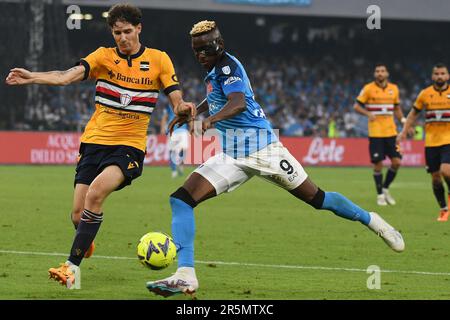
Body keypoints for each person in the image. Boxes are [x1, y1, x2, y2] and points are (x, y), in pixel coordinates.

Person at [145, 20, 405, 298]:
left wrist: (208, 121)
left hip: (264, 150)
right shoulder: (213, 71)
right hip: (233, 155)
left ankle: (373, 220)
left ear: (218, 45)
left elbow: (238, 103)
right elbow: (219, 98)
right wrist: (194, 111)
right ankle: (186, 274)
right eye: (196, 50)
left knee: (318, 199)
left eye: (204, 49)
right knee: (181, 199)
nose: (199, 55)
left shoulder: (228, 67)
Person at [5, 3, 195, 289]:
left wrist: (183, 108)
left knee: (95, 194)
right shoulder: (103, 57)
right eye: (117, 32)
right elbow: (66, 76)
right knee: (78, 215)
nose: (122, 37)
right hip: (94, 143)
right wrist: (33, 76)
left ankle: (71, 268)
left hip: (129, 147)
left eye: (128, 31)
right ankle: (85, 240)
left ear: (139, 29)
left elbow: (176, 99)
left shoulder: (159, 60)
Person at [398, 63, 450, 222]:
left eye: (443, 73)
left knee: (446, 171)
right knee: (435, 178)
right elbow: (413, 113)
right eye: (437, 74)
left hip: (448, 140)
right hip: (431, 143)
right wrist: (405, 130)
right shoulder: (425, 94)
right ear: (433, 76)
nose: (440, 76)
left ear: (447, 76)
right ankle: (443, 209)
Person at [353, 64, 406, 206]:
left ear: (387, 73)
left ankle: (385, 188)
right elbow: (357, 106)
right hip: (376, 133)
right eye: (377, 71)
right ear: (374, 74)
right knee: (378, 165)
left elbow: (397, 108)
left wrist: (403, 121)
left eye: (382, 71)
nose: (380, 73)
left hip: (391, 132)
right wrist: (368, 113)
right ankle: (380, 195)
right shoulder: (368, 88)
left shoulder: (394, 89)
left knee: (397, 162)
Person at [160, 103, 190, 178]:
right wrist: (162, 128)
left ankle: (180, 164)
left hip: (183, 130)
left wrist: (192, 126)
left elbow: (189, 117)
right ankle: (174, 170)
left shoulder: (185, 104)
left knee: (183, 149)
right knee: (171, 151)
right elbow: (164, 117)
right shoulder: (168, 105)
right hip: (172, 130)